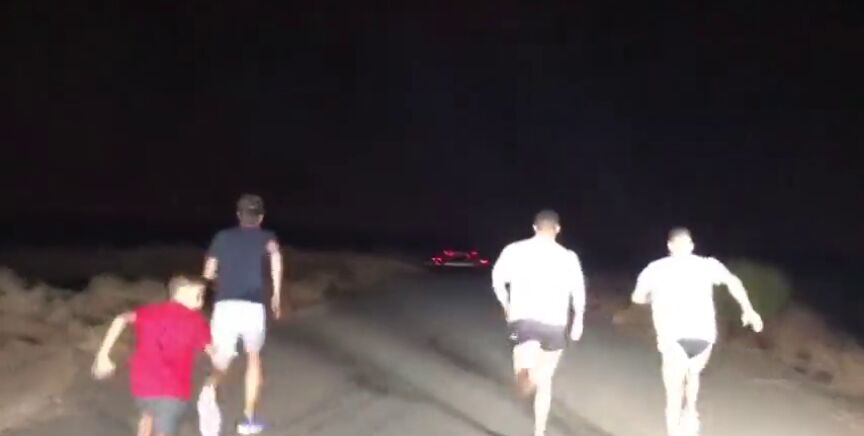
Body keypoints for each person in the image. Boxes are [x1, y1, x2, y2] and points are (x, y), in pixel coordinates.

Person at [631, 227, 764, 436]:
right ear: (691, 246)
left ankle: (676, 428)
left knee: (673, 390)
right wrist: (748, 310)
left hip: (672, 337)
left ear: (670, 246)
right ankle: (691, 411)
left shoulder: (655, 268)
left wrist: (651, 298)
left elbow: (637, 298)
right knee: (693, 372)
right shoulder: (707, 265)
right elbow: (733, 281)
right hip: (703, 337)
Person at [491, 210, 586, 436]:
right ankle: (539, 431)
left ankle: (527, 377)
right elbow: (578, 291)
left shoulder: (514, 250)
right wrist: (579, 320)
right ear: (558, 229)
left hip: (521, 321)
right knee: (546, 380)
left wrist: (506, 304)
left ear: (534, 227)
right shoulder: (568, 257)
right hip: (553, 324)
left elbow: (497, 279)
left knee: (521, 362)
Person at [91, 275, 217, 436]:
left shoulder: (150, 311)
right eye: (198, 295)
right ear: (180, 293)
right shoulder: (196, 320)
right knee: (164, 426)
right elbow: (211, 350)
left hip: (142, 385)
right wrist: (217, 370)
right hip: (173, 389)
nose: (201, 302)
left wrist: (103, 355)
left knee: (148, 414)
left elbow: (121, 318)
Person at [203, 193, 283, 435]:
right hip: (252, 306)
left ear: (238, 214)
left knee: (221, 360)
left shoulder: (222, 237)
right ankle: (248, 419)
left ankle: (209, 389)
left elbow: (208, 272)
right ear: (261, 216)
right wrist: (276, 295)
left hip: (225, 305)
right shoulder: (267, 237)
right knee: (253, 358)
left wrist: (216, 282)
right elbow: (276, 258)